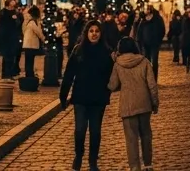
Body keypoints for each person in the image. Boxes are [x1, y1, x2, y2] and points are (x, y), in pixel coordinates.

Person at [61, 20, 115, 171]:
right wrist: (63, 95)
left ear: (100, 34)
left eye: (97, 31)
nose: (94, 34)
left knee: (96, 131)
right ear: (86, 33)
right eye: (91, 31)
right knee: (80, 130)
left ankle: (93, 161)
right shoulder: (78, 50)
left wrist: (108, 90)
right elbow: (69, 74)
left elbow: (112, 75)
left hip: (98, 98)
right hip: (80, 97)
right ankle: (78, 155)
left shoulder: (106, 51)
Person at [109, 37, 159, 171]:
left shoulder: (118, 64)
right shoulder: (144, 61)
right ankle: (148, 164)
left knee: (131, 139)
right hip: (144, 104)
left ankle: (134, 167)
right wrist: (155, 103)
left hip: (127, 105)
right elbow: (152, 85)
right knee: (146, 135)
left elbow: (112, 85)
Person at [137, 6, 166, 79]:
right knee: (147, 62)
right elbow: (139, 31)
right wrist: (140, 41)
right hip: (145, 44)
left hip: (155, 44)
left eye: (148, 9)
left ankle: (154, 78)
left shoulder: (158, 19)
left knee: (155, 61)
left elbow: (162, 30)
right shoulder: (143, 19)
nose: (147, 11)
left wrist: (158, 40)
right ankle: (148, 78)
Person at [0, 0, 22, 79]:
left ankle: (10, 73)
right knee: (6, 56)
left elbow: (19, 22)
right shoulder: (3, 12)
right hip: (5, 37)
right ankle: (5, 74)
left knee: (12, 56)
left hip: (13, 37)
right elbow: (1, 24)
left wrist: (16, 19)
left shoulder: (15, 12)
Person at [22, 5, 44, 79]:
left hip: (28, 45)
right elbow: (38, 32)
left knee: (29, 61)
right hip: (30, 45)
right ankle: (29, 76)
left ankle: (29, 75)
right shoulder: (32, 22)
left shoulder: (30, 21)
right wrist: (43, 38)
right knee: (30, 61)